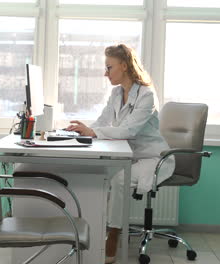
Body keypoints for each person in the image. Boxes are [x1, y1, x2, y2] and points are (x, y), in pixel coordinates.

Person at [66, 44, 175, 263]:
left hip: (152, 157)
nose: (105, 73)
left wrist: (93, 132)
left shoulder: (146, 95)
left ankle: (113, 235)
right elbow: (103, 121)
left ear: (124, 66)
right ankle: (94, 231)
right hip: (129, 154)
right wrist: (82, 132)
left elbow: (129, 130)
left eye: (109, 67)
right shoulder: (116, 93)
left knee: (118, 179)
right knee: (98, 176)